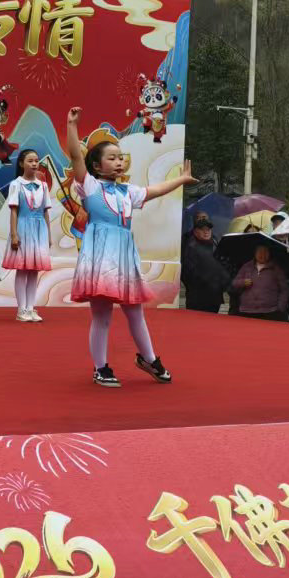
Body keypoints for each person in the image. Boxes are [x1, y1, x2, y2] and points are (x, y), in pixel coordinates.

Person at [65, 107, 195, 386]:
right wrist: (72, 126)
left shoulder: (128, 192)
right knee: (102, 316)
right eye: (111, 158)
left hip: (124, 258)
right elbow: (75, 156)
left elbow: (155, 190)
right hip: (100, 257)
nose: (118, 162)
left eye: (120, 158)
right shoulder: (89, 186)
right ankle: (101, 368)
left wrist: (181, 180)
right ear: (96, 166)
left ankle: (149, 359)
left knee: (135, 311)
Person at [2, 148, 55, 322]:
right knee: (22, 269)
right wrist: (14, 234)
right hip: (23, 227)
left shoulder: (43, 186)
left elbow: (45, 212)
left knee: (34, 271)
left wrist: (48, 235)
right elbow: (14, 211)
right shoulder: (16, 184)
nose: (34, 164)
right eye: (30, 161)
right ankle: (21, 309)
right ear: (21, 163)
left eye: (36, 161)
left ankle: (31, 308)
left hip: (39, 229)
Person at [180, 214, 231, 314]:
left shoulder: (215, 244)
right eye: (202, 229)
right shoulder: (190, 246)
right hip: (196, 297)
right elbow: (186, 272)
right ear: (195, 231)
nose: (206, 231)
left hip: (214, 297)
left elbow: (223, 266)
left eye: (208, 229)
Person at [231, 243, 289, 320]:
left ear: (269, 254)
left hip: (270, 311)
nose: (262, 254)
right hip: (247, 310)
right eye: (260, 251)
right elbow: (234, 283)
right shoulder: (246, 267)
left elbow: (284, 289)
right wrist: (242, 282)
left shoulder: (275, 269)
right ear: (255, 253)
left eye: (265, 252)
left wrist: (280, 307)